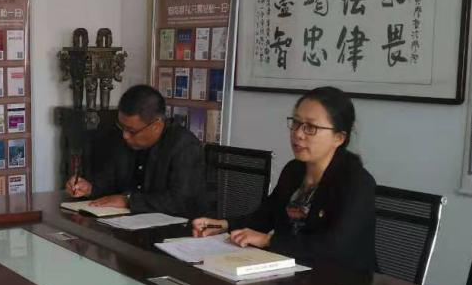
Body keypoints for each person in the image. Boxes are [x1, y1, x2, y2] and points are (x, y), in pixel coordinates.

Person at [191, 86, 376, 273]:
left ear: (338, 138)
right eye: (296, 123)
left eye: (310, 127)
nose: (298, 134)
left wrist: (268, 241)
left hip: (342, 281)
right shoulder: (294, 170)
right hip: (292, 272)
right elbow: (265, 217)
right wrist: (224, 225)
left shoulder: (357, 183)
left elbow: (334, 247)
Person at [64, 84, 207, 218]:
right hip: (123, 223)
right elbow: (109, 180)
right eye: (122, 127)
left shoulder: (184, 146)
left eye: (131, 131)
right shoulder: (121, 139)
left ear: (156, 125)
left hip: (173, 230)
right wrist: (89, 188)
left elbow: (181, 201)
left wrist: (128, 201)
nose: (125, 136)